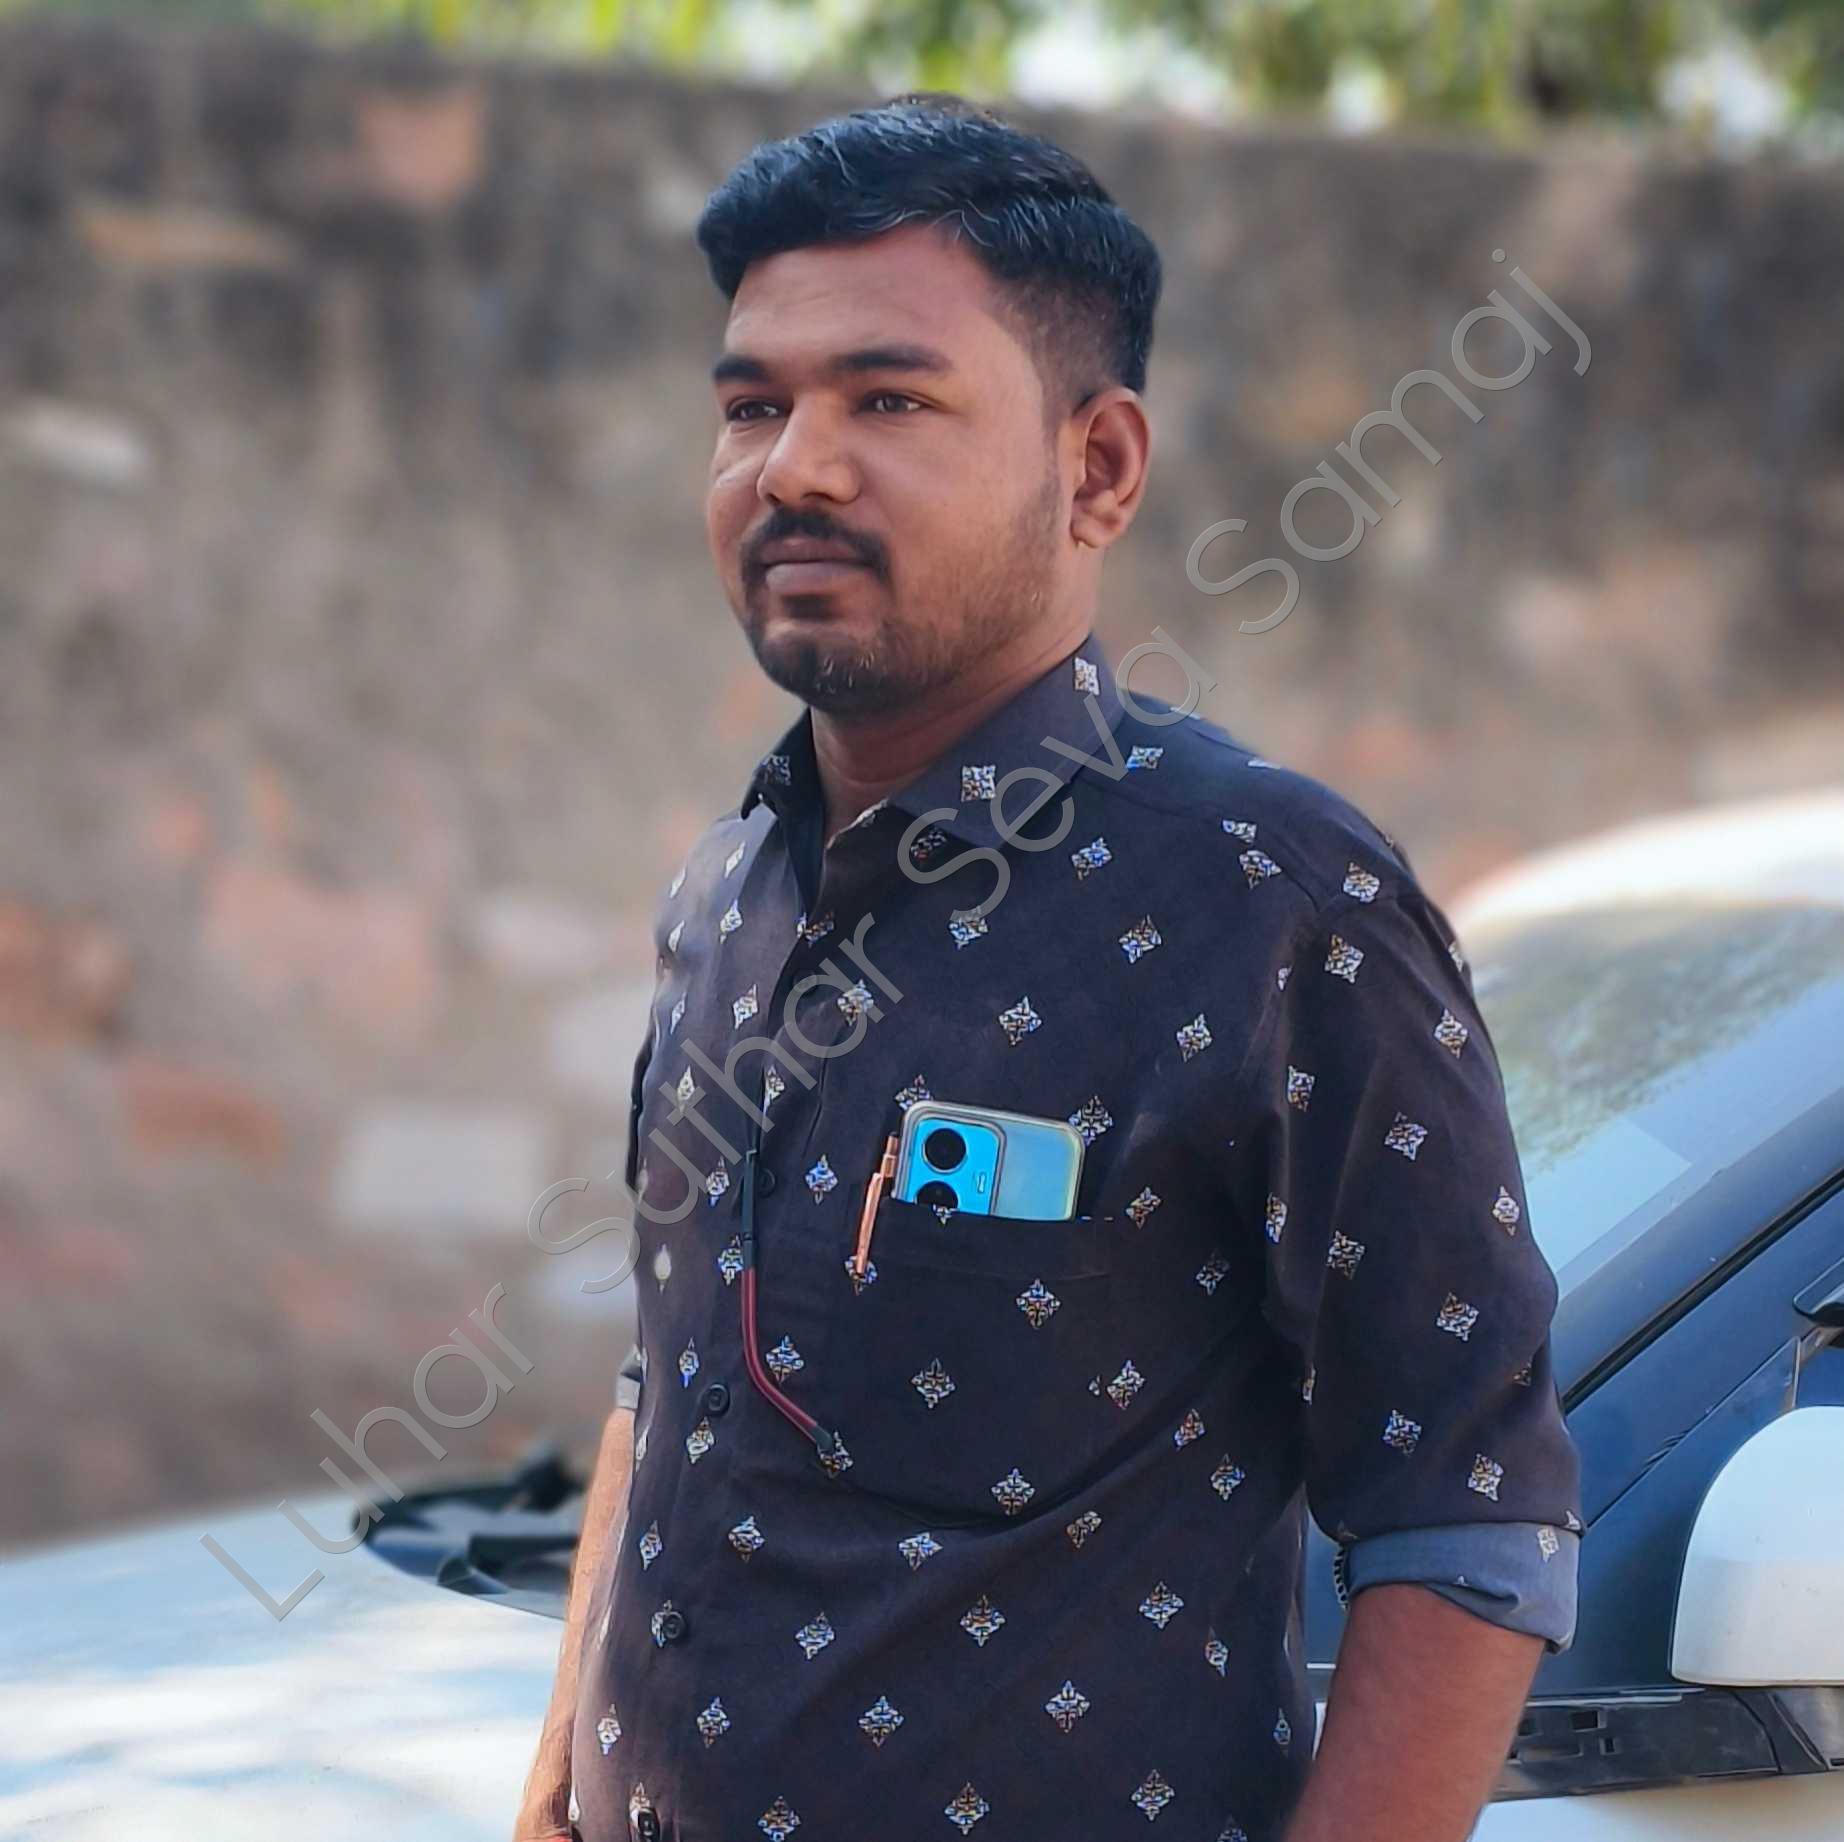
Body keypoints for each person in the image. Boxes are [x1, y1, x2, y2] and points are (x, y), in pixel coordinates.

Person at [515, 93, 1582, 1842]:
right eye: (753, 405)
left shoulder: (1269, 897)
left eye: (889, 399)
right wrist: (554, 1788)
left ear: (1098, 470)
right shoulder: (726, 895)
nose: (793, 466)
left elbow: (1467, 1508)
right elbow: (671, 1379)